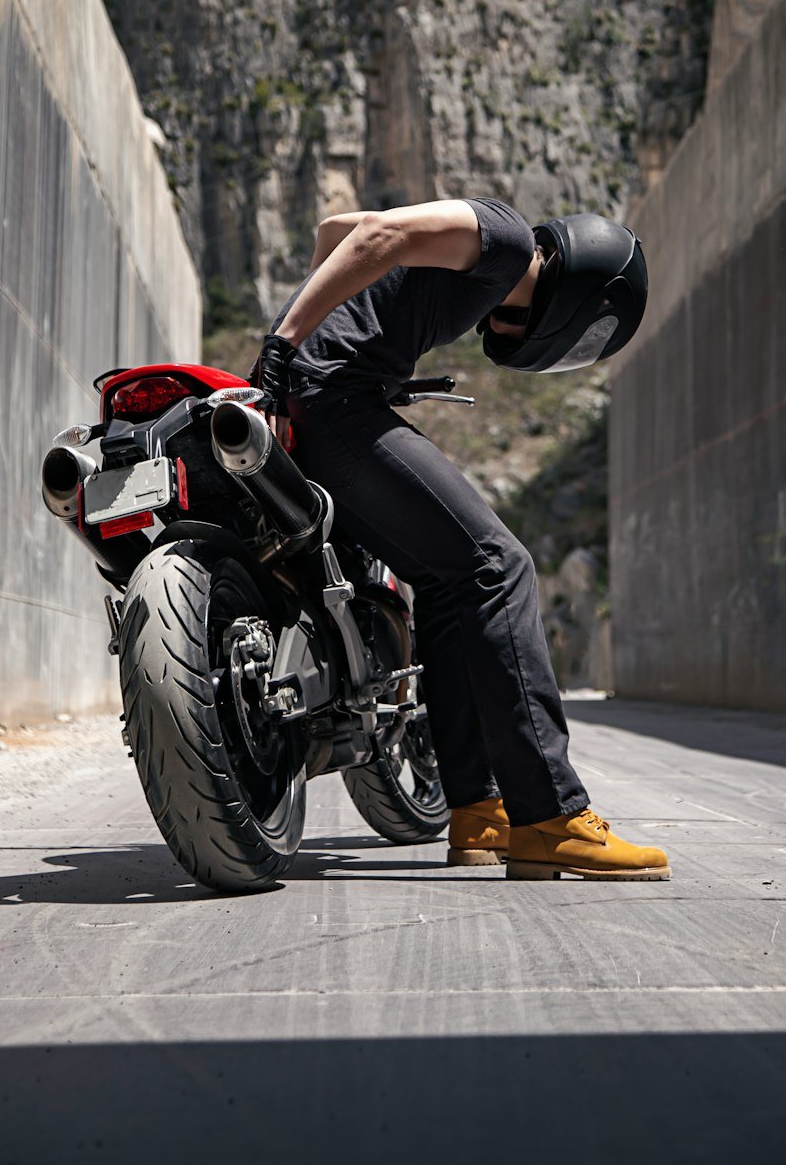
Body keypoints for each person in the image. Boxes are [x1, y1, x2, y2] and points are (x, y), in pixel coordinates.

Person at [252, 197, 670, 881]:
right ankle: (551, 815)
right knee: (498, 565)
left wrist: (334, 327)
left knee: (449, 582)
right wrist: (288, 343)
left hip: (322, 397)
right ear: (578, 302)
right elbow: (378, 235)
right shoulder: (505, 241)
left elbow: (336, 232)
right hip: (335, 401)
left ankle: (479, 810)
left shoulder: (480, 275)